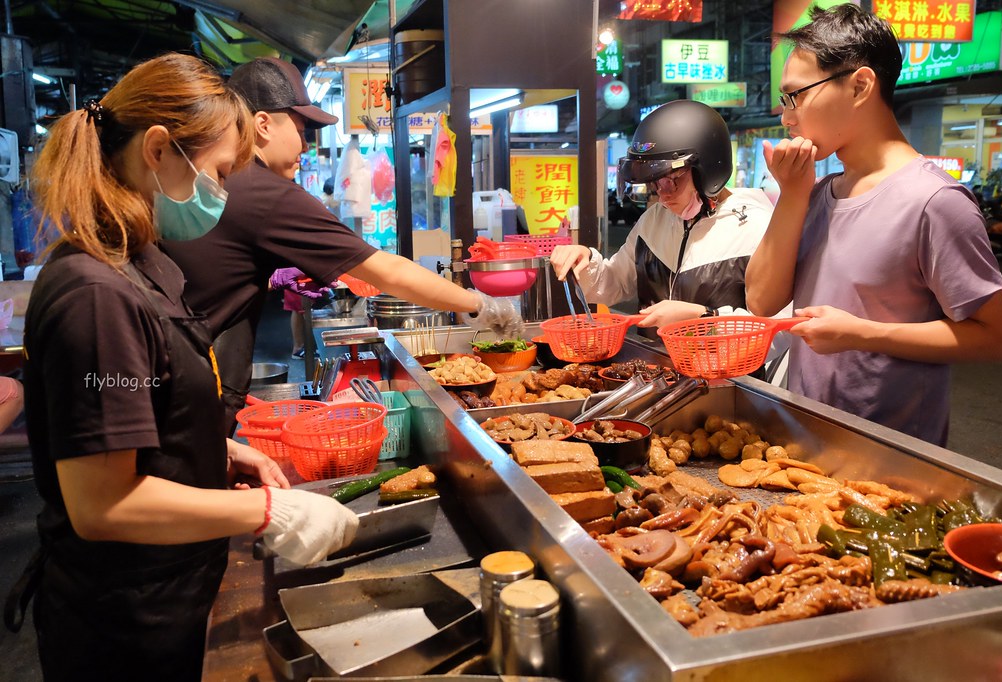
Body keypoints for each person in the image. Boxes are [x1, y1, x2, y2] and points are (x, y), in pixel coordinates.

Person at [12, 54, 361, 681]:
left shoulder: (142, 265)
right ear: (157, 150)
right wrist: (266, 513)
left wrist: (217, 449)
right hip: (124, 625)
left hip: (169, 591)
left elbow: (138, 409)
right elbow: (102, 503)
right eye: (221, 173)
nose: (222, 196)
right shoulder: (96, 293)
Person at [161, 57, 521, 432]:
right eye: (300, 129)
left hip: (174, 377)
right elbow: (389, 272)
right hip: (192, 394)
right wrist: (481, 304)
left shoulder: (228, 180)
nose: (305, 143)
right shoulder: (265, 190)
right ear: (263, 124)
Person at [744, 4, 1002, 445]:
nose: (786, 116)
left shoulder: (933, 201)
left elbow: (997, 338)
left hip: (891, 458)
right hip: (806, 442)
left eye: (796, 96)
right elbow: (760, 299)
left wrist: (863, 334)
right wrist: (793, 195)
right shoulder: (817, 192)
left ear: (860, 86)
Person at [550, 100, 776, 332]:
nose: (663, 195)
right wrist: (584, 260)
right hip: (656, 364)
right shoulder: (653, 220)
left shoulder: (756, 226)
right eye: (656, 182)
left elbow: (776, 326)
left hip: (729, 367)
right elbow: (615, 282)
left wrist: (705, 319)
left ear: (708, 171)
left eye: (672, 180)